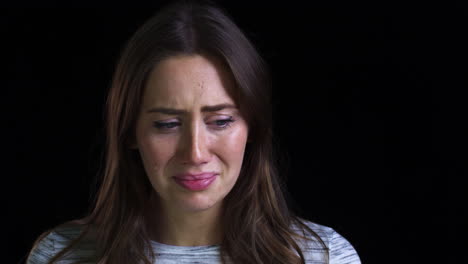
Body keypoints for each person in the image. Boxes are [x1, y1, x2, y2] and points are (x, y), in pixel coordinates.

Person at [26, 0, 361, 263]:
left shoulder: (323, 257)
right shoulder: (63, 256)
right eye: (167, 124)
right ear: (129, 131)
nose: (196, 153)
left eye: (220, 121)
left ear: (253, 128)